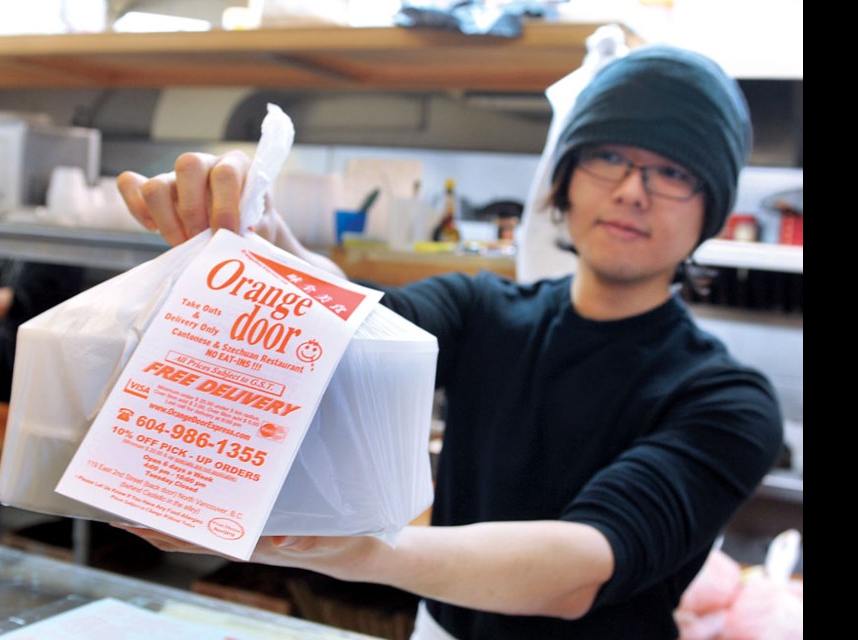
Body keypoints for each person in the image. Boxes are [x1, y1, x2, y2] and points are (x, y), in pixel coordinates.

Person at [114, 44, 784, 639]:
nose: (634, 191)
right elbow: (353, 330)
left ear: (711, 209)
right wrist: (263, 239)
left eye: (673, 173)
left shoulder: (727, 400)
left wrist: (364, 552)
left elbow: (582, 567)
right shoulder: (482, 308)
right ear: (567, 179)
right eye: (610, 156)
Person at [0, 259, 86, 402]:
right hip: (4, 357)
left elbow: (16, 301)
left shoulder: (60, 254)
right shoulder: (21, 246)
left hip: (41, 363)